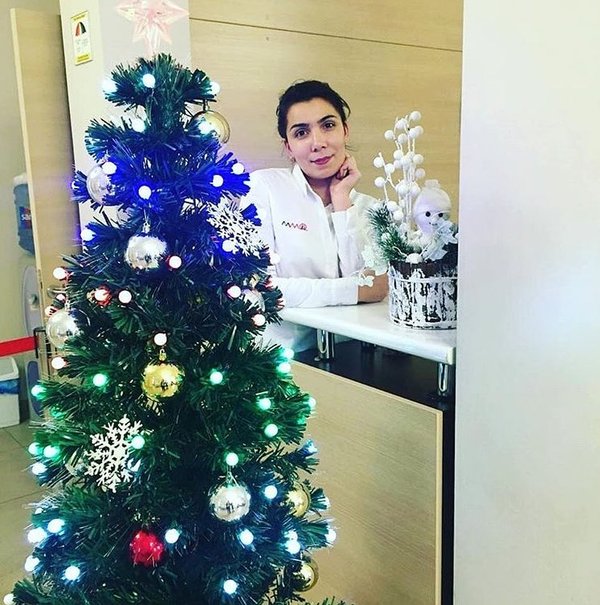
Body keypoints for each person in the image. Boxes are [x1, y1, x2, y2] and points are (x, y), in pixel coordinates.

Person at [241, 80, 387, 351]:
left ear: (345, 131)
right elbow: (260, 287)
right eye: (301, 133)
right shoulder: (265, 188)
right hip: (280, 357)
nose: (318, 143)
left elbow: (375, 288)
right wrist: (353, 290)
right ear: (288, 147)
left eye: (328, 125)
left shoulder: (372, 208)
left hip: (352, 356)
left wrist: (342, 201)